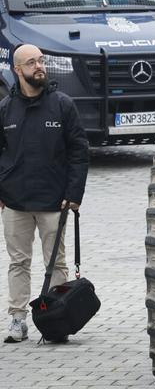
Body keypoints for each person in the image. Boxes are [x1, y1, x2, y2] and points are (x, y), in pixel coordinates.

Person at [0, 44, 89, 344]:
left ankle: (57, 319)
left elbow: (79, 152)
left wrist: (74, 193)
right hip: (15, 203)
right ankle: (17, 320)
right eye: (31, 62)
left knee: (56, 264)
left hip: (55, 203)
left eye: (41, 61)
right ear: (17, 70)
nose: (39, 66)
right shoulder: (5, 109)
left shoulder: (63, 105)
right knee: (18, 263)